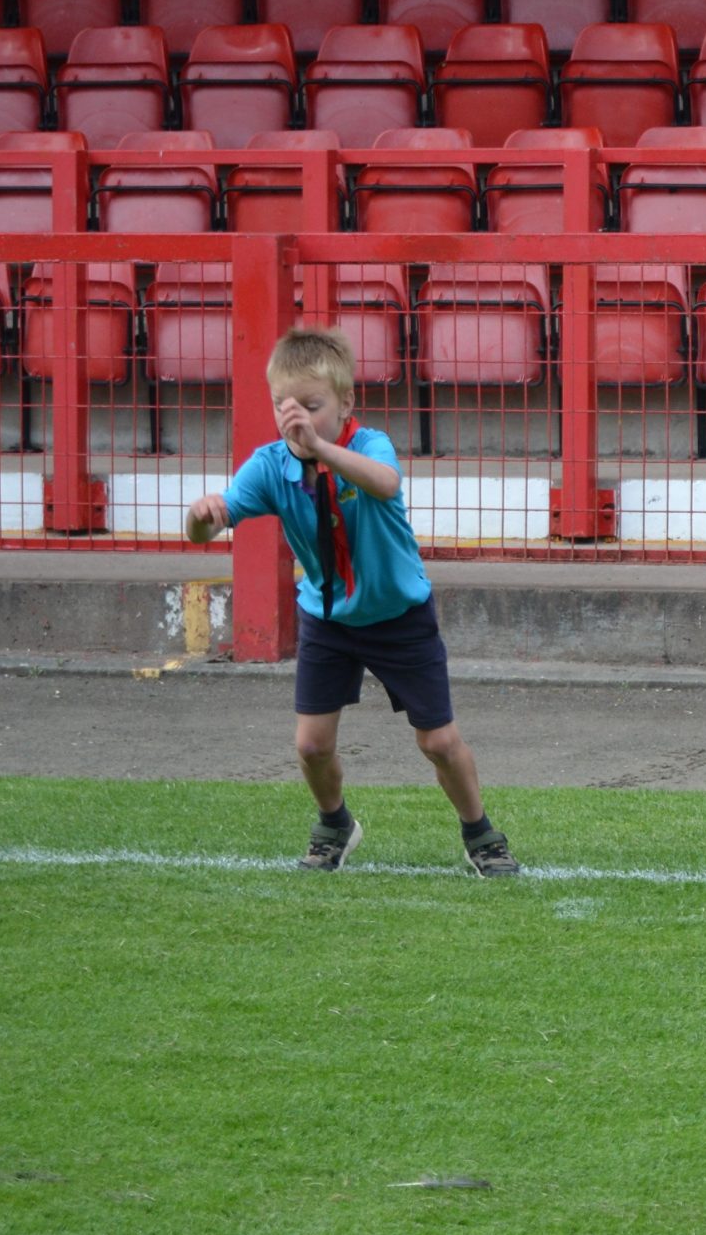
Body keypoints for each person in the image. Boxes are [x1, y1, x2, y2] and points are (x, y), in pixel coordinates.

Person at [185, 327, 518, 878]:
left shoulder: (369, 447)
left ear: (345, 404)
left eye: (312, 407)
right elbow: (200, 534)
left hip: (399, 617)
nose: (296, 420)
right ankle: (335, 824)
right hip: (327, 619)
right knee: (312, 746)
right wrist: (203, 515)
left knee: (437, 740)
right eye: (283, 406)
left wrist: (321, 450)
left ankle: (480, 833)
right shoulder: (270, 465)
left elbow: (385, 483)